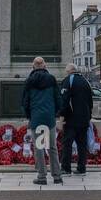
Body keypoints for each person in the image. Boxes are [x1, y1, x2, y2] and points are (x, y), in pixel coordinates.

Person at [21, 55, 63, 185]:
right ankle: (57, 176)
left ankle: (42, 176)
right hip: (49, 118)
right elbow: (58, 99)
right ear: (45, 66)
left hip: (36, 118)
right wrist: (55, 113)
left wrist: (29, 116)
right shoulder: (51, 79)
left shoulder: (29, 81)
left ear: (33, 66)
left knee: (39, 147)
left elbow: (25, 102)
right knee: (52, 147)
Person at [59, 63, 94, 176]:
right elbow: (90, 101)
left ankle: (66, 168)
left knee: (67, 143)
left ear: (69, 71)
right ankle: (81, 168)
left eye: (66, 71)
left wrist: (61, 118)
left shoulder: (68, 80)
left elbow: (64, 101)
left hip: (71, 118)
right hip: (84, 118)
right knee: (82, 144)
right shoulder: (85, 81)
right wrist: (89, 116)